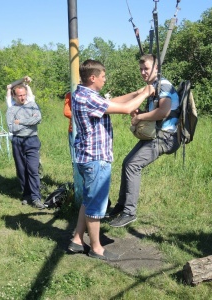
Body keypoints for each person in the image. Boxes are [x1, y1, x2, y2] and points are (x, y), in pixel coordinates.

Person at [68, 59, 155, 261]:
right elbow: (124, 109)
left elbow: (113, 101)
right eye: (103, 76)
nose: (105, 80)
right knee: (96, 205)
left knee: (88, 201)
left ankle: (77, 240)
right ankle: (96, 248)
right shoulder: (88, 98)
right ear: (93, 78)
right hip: (95, 159)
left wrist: (137, 92)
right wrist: (144, 94)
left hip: (85, 157)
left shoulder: (82, 93)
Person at [108, 54, 180, 228]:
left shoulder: (164, 85)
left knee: (133, 165)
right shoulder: (152, 85)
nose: (142, 72)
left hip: (166, 137)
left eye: (146, 69)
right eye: (140, 69)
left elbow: (163, 112)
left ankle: (129, 213)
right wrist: (106, 103)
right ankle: (121, 206)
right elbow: (132, 96)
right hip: (156, 135)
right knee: (127, 163)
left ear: (156, 68)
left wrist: (139, 117)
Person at [6, 84, 45, 209]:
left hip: (32, 140)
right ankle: (26, 195)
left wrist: (21, 121)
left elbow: (38, 119)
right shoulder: (11, 110)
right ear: (14, 96)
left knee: (33, 169)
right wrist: (29, 121)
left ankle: (36, 197)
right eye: (19, 95)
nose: (22, 98)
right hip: (18, 141)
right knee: (22, 170)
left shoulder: (33, 106)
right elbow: (12, 127)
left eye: (24, 95)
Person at [63, 91, 74, 165]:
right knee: (74, 157)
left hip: (89, 131)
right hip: (73, 130)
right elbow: (66, 112)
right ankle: (76, 176)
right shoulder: (70, 94)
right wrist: (81, 116)